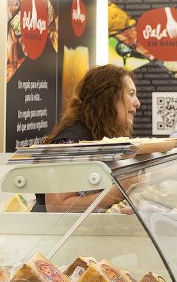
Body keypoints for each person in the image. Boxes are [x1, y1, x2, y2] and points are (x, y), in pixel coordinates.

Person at [34, 64, 139, 212]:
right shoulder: (71, 141)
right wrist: (120, 190)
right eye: (131, 93)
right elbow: (56, 206)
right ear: (108, 97)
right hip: (54, 233)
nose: (137, 103)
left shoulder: (102, 136)